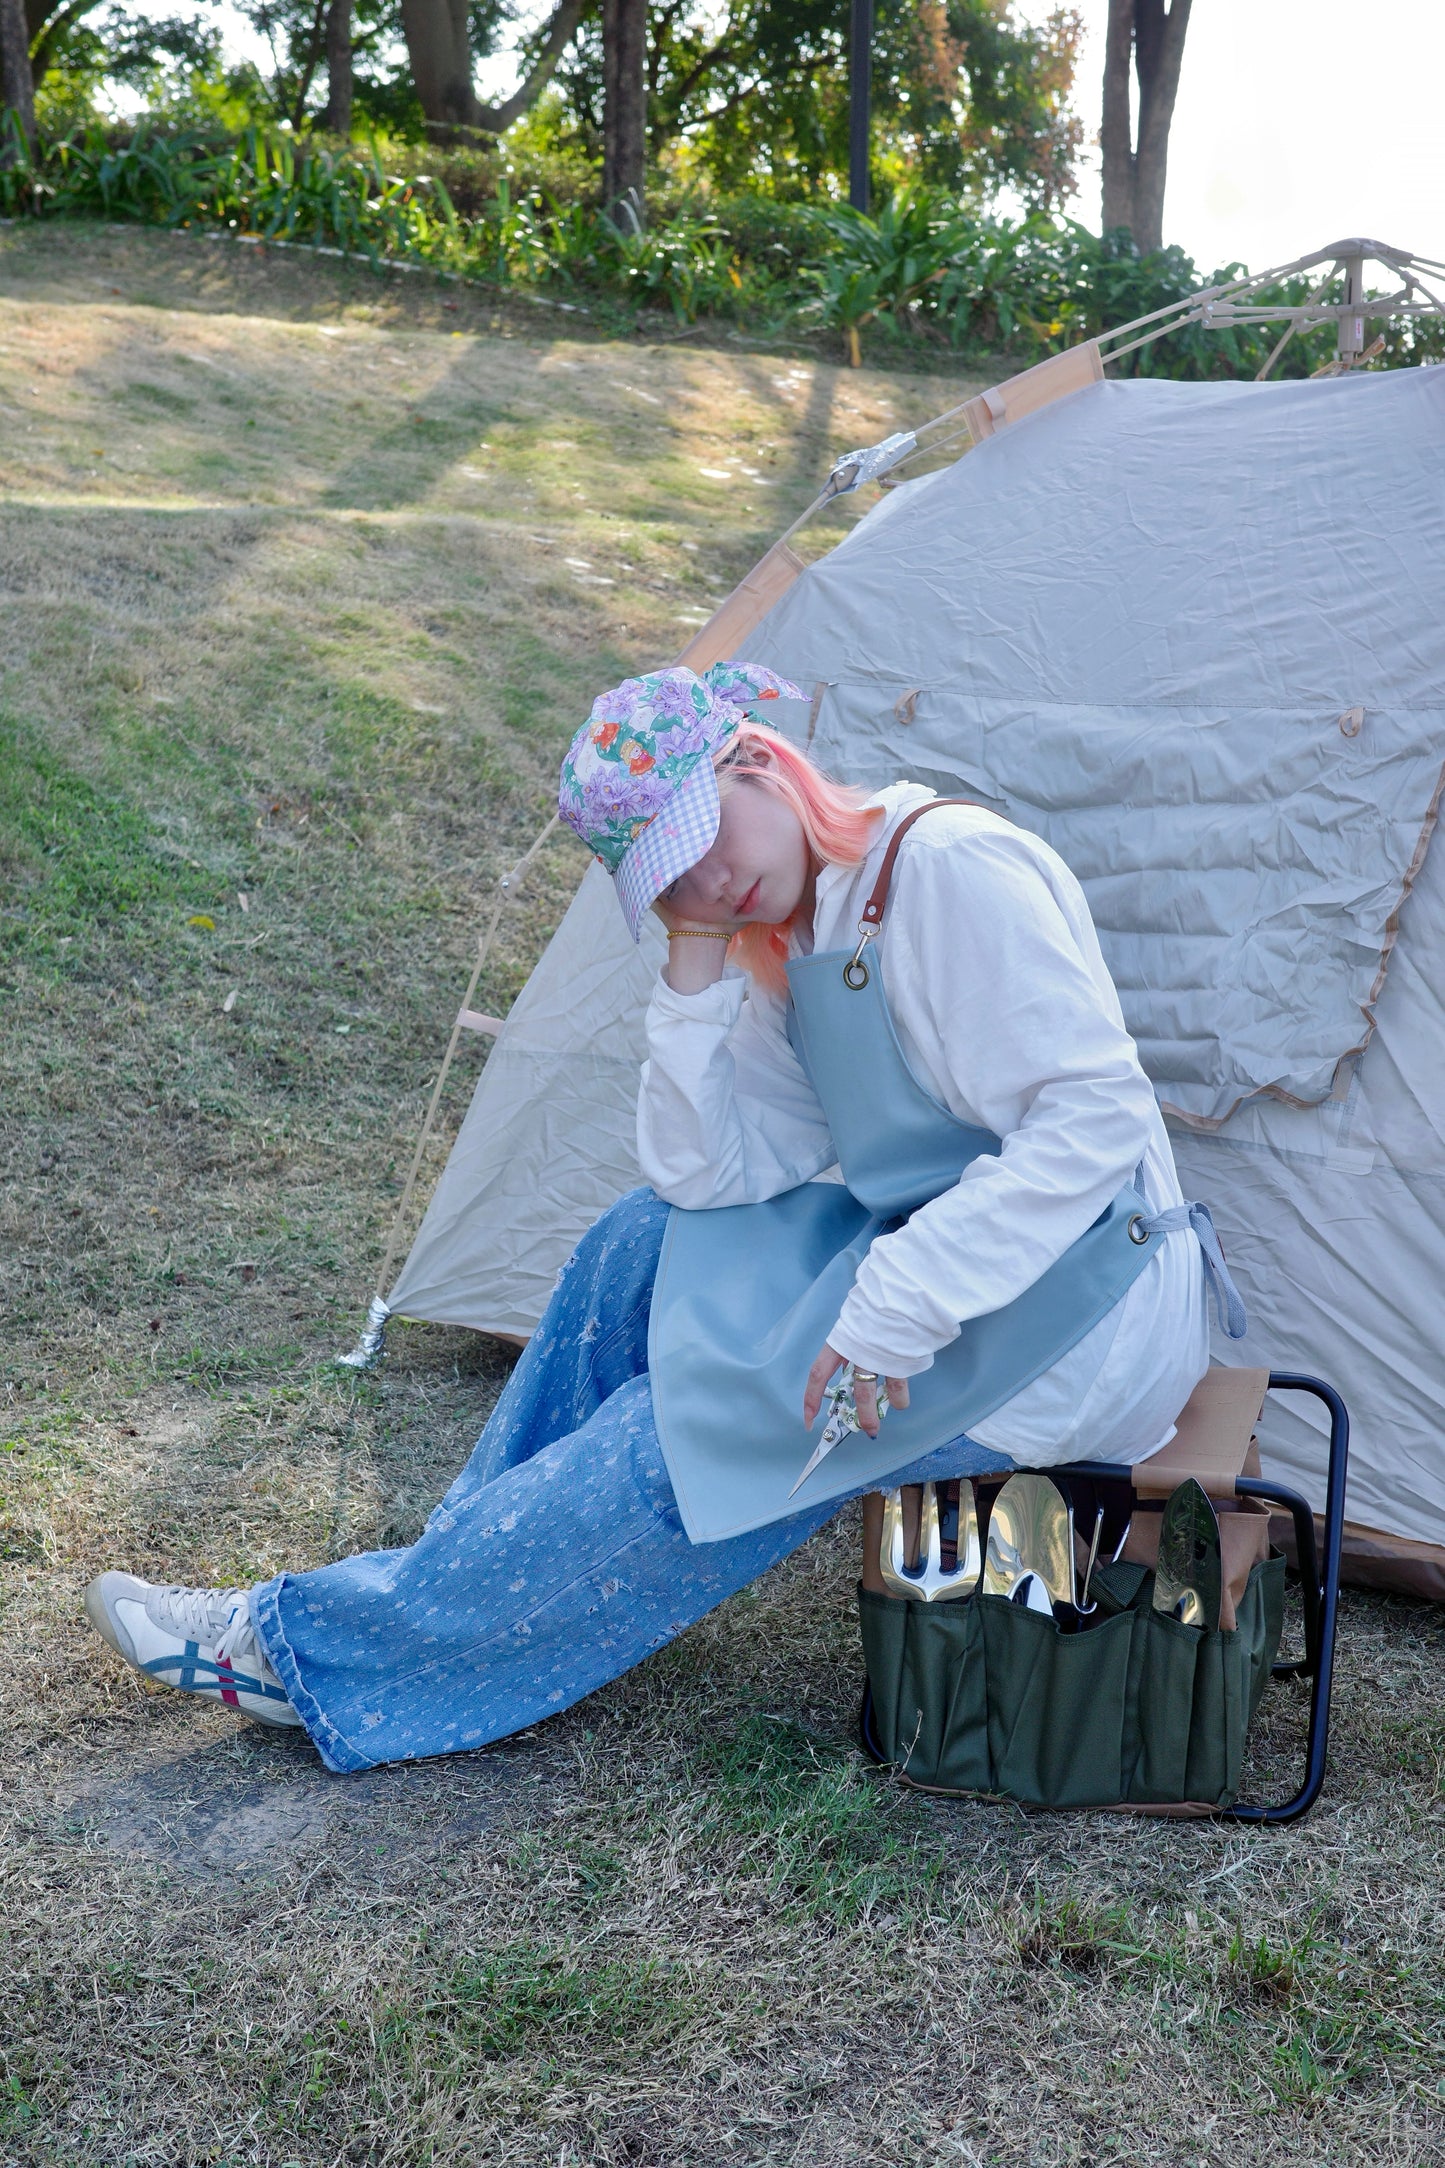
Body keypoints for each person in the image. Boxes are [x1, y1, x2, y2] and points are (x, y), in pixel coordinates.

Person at [85, 661, 1233, 1773]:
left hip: (1089, 1303)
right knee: (639, 1239)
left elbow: (1089, 1118)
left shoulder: (948, 867)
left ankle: (310, 1649)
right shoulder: (798, 921)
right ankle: (457, 1570)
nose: (708, 885)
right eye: (668, 878)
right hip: (960, 1259)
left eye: (706, 841)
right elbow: (711, 1175)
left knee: (696, 1427)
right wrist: (692, 965)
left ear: (759, 761)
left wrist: (896, 1305)